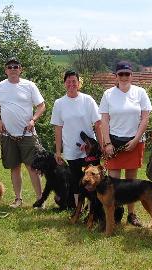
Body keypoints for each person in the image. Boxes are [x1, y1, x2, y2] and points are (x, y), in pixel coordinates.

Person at [98, 61, 152, 227]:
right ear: (116, 76)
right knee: (112, 183)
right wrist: (107, 143)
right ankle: (113, 215)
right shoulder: (108, 94)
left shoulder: (140, 92)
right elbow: (104, 120)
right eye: (120, 74)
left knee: (131, 181)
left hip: (134, 142)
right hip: (113, 143)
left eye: (127, 74)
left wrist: (136, 139)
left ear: (132, 75)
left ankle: (132, 214)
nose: (124, 77)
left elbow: (145, 118)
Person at [0, 57, 45, 208]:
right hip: (8, 135)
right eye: (10, 67)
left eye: (16, 66)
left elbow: (41, 106)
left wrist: (33, 120)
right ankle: (18, 199)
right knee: (14, 167)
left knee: (32, 167)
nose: (13, 69)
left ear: (21, 69)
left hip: (27, 134)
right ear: (5, 70)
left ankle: (40, 200)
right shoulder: (0, 86)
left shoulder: (29, 85)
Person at [50, 70, 102, 207]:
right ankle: (78, 208)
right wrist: (58, 151)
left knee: (93, 179)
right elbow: (58, 128)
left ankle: (93, 208)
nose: (71, 84)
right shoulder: (59, 103)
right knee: (76, 180)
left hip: (89, 150)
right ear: (64, 84)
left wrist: (102, 146)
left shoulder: (88, 100)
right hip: (71, 150)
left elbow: (98, 124)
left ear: (79, 83)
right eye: (68, 81)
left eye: (74, 81)